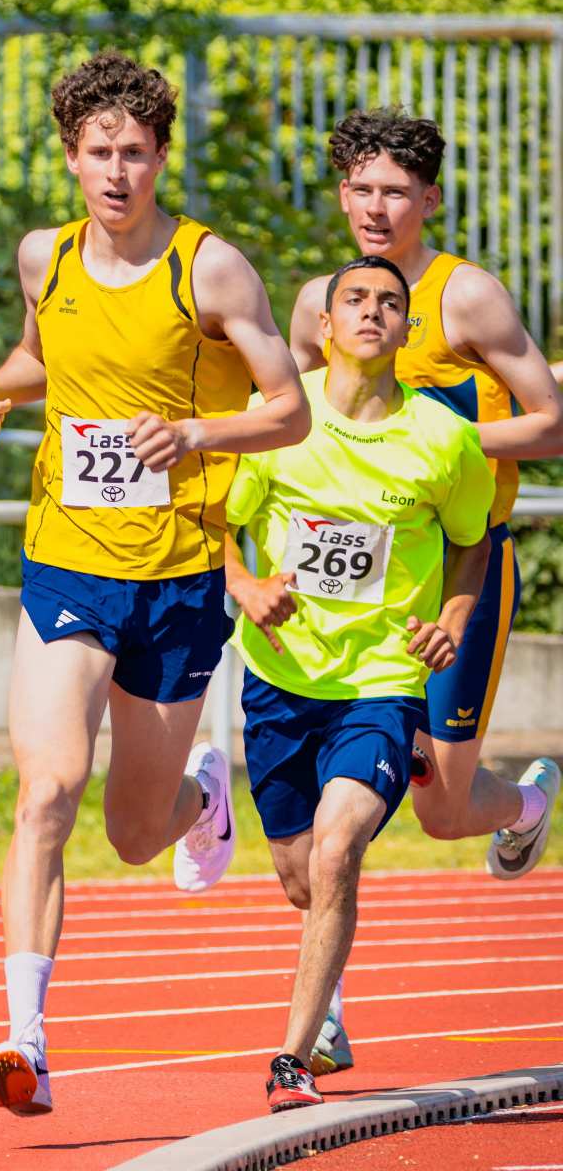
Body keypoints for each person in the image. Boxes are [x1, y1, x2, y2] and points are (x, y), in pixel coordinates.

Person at [0, 51, 310, 1117]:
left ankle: (203, 797)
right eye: (100, 152)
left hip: (177, 576)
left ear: (161, 159)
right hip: (67, 560)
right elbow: (42, 360)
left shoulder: (210, 270)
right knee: (46, 789)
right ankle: (24, 1041)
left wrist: (196, 432)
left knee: (132, 831)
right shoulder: (45, 257)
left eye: (137, 154)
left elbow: (289, 409)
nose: (118, 173)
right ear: (71, 157)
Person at [289, 107, 562, 1076]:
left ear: (429, 199)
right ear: (341, 196)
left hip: (457, 570)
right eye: (361, 189)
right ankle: (322, 1015)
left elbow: (552, 423)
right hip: (345, 584)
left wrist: (435, 445)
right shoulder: (320, 304)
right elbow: (292, 425)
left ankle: (525, 804)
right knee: (322, 815)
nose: (376, 207)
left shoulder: (465, 297)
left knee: (441, 809)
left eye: (395, 192)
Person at [225, 254, 495, 1110]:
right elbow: (211, 523)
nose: (372, 311)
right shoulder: (277, 419)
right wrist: (246, 584)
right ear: (324, 324)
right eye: (355, 299)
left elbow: (473, 543)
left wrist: (453, 622)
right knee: (302, 876)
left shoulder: (444, 438)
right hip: (281, 677)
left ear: (406, 330)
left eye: (389, 302)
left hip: (383, 680)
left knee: (339, 848)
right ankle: (327, 1004)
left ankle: (293, 1058)